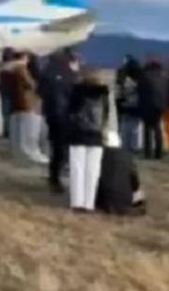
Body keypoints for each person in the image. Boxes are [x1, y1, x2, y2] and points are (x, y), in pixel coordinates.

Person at [66, 69, 111, 212]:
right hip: (96, 136)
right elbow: (107, 115)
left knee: (77, 169)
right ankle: (89, 203)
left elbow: (70, 113)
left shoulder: (76, 91)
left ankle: (77, 202)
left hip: (78, 135)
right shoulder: (104, 94)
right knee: (93, 171)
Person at [40, 50, 81, 193]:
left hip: (51, 114)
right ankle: (61, 178)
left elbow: (40, 92)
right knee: (65, 148)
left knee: (56, 147)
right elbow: (75, 94)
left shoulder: (46, 72)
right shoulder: (69, 74)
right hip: (65, 115)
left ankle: (54, 178)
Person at [10, 51, 48, 165]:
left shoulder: (16, 69)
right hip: (28, 103)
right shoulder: (21, 69)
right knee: (30, 132)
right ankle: (31, 153)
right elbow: (31, 84)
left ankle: (28, 152)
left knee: (27, 130)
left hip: (25, 104)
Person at [96, 131, 146, 216]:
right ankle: (137, 203)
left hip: (105, 202)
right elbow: (135, 181)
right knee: (138, 190)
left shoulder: (101, 155)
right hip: (125, 200)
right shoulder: (128, 156)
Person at [138, 58, 169, 160]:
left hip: (148, 105)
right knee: (157, 128)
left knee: (147, 129)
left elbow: (140, 91)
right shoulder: (164, 76)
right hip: (160, 106)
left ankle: (147, 153)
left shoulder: (145, 76)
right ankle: (158, 153)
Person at [116, 56, 142, 152]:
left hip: (126, 105)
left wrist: (119, 103)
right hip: (136, 106)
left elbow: (120, 91)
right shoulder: (140, 78)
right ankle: (133, 146)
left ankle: (125, 146)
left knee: (126, 127)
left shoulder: (124, 77)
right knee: (134, 128)